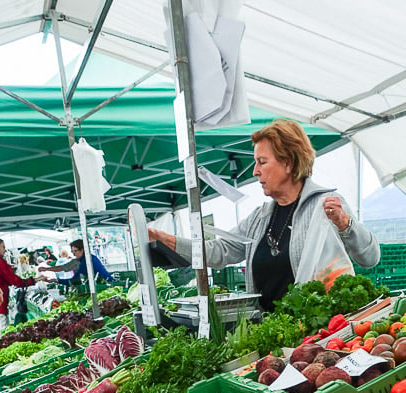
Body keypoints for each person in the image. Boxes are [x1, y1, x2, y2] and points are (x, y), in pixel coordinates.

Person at [147, 119, 380, 312]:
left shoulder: (326, 207)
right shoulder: (260, 218)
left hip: (317, 335)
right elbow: (221, 251)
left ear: (288, 162)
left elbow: (370, 258)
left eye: (262, 162)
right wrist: (172, 242)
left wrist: (345, 225)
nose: (255, 171)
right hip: (272, 333)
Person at [0, 236, 36, 336]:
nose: (5, 250)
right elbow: (15, 281)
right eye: (3, 247)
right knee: (2, 332)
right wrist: (33, 280)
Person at [39, 238, 113, 285]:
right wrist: (46, 269)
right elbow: (63, 267)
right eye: (72, 251)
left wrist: (56, 280)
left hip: (105, 284)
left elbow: (74, 279)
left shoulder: (87, 261)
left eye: (75, 251)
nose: (73, 254)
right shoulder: (81, 259)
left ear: (82, 250)